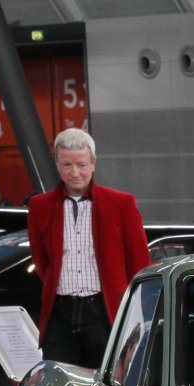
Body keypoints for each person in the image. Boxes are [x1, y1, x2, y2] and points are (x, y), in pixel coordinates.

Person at [27, 128, 150, 368]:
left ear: (93, 164)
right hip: (59, 312)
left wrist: (134, 315)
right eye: (67, 165)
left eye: (81, 165)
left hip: (103, 310)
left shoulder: (121, 204)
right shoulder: (40, 206)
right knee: (57, 379)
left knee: (105, 379)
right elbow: (41, 261)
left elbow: (139, 263)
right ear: (57, 165)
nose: (75, 173)